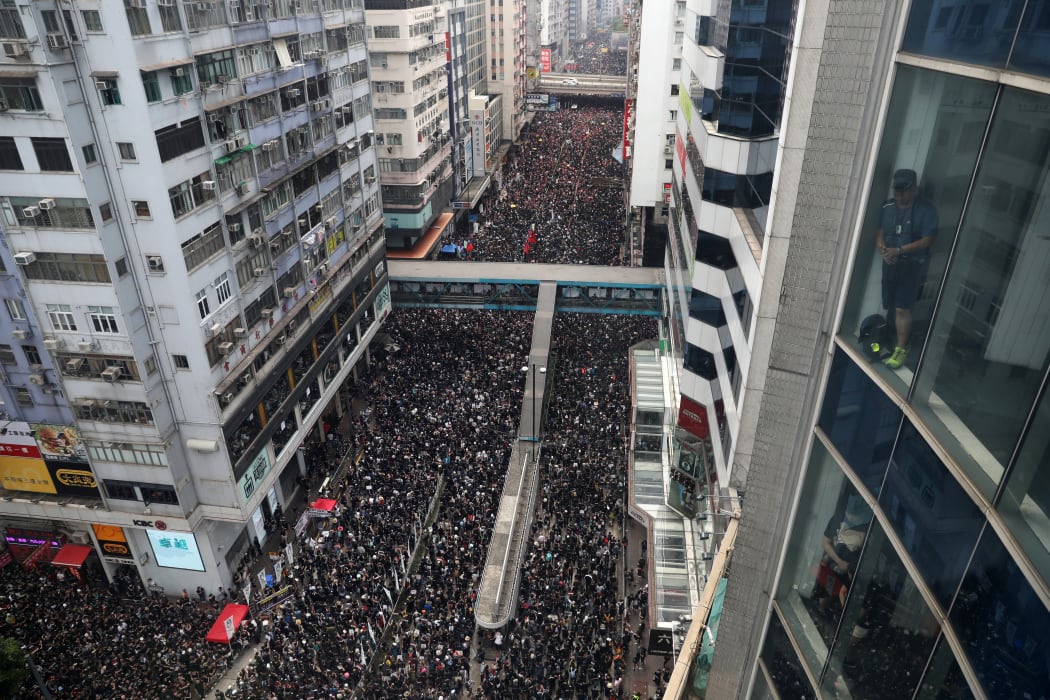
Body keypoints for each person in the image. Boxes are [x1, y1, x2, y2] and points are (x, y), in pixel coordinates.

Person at [875, 168, 938, 369]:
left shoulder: (926, 210)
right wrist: (883, 249)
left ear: (915, 190)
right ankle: (889, 338)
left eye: (905, 191)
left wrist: (899, 250)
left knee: (903, 307)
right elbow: (880, 232)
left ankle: (902, 348)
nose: (900, 195)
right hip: (891, 262)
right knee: (889, 303)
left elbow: (928, 240)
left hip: (912, 264)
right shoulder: (889, 206)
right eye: (897, 191)